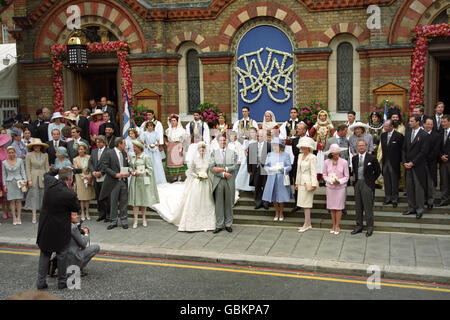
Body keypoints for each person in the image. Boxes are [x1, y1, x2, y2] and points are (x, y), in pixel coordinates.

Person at [36, 167, 81, 290]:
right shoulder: (70, 194)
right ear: (71, 179)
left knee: (45, 253)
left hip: (45, 226)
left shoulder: (50, 183)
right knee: (62, 254)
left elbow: (47, 174)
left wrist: (59, 169)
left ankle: (40, 282)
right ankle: (62, 282)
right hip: (61, 228)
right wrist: (73, 191)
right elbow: (77, 208)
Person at [171, 142, 215, 232]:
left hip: (206, 182)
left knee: (207, 201)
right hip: (197, 182)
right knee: (195, 201)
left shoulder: (208, 160)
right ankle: (192, 223)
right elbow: (190, 172)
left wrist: (207, 177)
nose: (202, 152)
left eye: (203, 150)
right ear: (198, 150)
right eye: (201, 150)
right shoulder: (194, 159)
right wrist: (198, 176)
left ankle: (207, 221)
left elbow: (210, 171)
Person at [351, 139, 381, 237]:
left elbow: (378, 171)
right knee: (358, 206)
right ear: (357, 147)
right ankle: (359, 226)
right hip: (357, 183)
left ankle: (369, 227)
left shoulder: (371, 158)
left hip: (367, 184)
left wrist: (371, 180)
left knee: (368, 206)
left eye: (363, 145)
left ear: (366, 146)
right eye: (359, 146)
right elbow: (354, 171)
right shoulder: (354, 158)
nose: (361, 147)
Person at [99, 137, 130, 230]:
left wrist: (128, 172)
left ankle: (124, 220)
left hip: (123, 180)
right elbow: (104, 166)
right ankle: (113, 221)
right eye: (124, 143)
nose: (125, 145)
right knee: (113, 202)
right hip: (113, 181)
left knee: (124, 202)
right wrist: (115, 174)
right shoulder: (109, 153)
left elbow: (126, 165)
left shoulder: (124, 153)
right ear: (119, 144)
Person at [210, 135, 238, 233]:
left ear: (226, 141)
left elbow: (235, 165)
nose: (223, 142)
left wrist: (226, 170)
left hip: (229, 180)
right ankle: (219, 224)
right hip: (218, 180)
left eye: (224, 140)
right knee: (219, 203)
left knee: (228, 203)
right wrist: (222, 174)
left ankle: (228, 224)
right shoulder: (214, 153)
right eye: (221, 140)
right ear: (218, 142)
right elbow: (211, 168)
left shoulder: (232, 152)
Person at [129, 139, 159, 229]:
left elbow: (150, 169)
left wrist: (141, 172)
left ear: (139, 148)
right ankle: (135, 220)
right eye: (133, 147)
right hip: (135, 180)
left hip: (143, 180)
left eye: (135, 147)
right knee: (135, 201)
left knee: (143, 200)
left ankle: (144, 218)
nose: (133, 148)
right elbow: (130, 167)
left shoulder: (146, 157)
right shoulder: (132, 156)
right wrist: (132, 172)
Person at [402, 115, 429, 219]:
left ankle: (419, 209)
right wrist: (404, 161)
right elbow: (403, 149)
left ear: (418, 122)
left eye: (412, 121)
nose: (410, 123)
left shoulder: (424, 135)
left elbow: (423, 152)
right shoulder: (408, 133)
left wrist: (413, 162)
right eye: (409, 121)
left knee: (418, 188)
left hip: (418, 166)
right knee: (409, 188)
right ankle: (411, 208)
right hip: (408, 165)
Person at [262, 137, 292, 221]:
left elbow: (289, 167)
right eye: (273, 145)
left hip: (281, 177)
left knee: (281, 196)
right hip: (272, 177)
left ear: (280, 146)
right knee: (274, 195)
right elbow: (266, 166)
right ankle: (276, 212)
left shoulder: (286, 155)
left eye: (276, 145)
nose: (275, 147)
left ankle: (281, 212)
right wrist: (269, 169)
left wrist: (282, 169)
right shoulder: (269, 154)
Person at [323, 144, 349, 235]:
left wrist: (340, 181)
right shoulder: (326, 162)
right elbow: (324, 175)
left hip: (340, 188)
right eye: (335, 153)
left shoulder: (344, 162)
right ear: (331, 154)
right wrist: (330, 180)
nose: (337, 154)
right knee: (332, 207)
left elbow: (346, 176)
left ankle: (337, 225)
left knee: (338, 207)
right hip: (330, 187)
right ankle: (333, 225)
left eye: (338, 153)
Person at [66, 212, 100, 277]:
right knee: (96, 247)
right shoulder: (73, 228)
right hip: (73, 257)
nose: (77, 216)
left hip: (64, 257)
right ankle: (78, 268)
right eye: (74, 215)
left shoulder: (62, 224)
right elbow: (83, 244)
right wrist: (86, 234)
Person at [380, 119, 404, 208]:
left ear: (391, 126)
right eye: (384, 126)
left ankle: (395, 199)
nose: (385, 128)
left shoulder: (399, 136)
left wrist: (401, 160)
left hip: (394, 162)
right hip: (385, 162)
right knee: (386, 181)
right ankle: (388, 198)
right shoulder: (383, 135)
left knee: (394, 181)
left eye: (386, 126)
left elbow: (402, 150)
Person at [295, 137, 317, 230]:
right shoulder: (300, 156)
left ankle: (307, 224)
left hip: (308, 182)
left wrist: (314, 184)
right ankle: (308, 223)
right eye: (303, 146)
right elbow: (298, 171)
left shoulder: (313, 157)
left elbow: (313, 171)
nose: (304, 147)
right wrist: (296, 182)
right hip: (300, 182)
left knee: (307, 203)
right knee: (302, 203)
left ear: (309, 147)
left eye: (306, 146)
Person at [25, 138, 49, 224]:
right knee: (34, 196)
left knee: (43, 197)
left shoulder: (45, 155)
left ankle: (42, 215)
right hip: (33, 176)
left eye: (38, 145)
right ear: (32, 146)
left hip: (42, 177)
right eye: (35, 146)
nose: (37, 147)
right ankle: (34, 215)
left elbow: (47, 168)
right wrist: (29, 180)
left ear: (41, 146)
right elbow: (27, 168)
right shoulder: (29, 155)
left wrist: (47, 178)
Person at [2, 146, 26, 225]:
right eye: (9, 153)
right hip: (9, 183)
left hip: (19, 182)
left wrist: (25, 181)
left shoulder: (20, 161)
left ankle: (19, 217)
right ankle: (14, 218)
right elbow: (4, 175)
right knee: (12, 201)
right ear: (7, 153)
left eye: (12, 152)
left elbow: (23, 171)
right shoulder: (4, 162)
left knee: (19, 201)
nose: (11, 154)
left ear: (15, 153)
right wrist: (4, 185)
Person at [247, 129, 271, 210]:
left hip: (265, 169)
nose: (258, 137)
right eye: (257, 136)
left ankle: (266, 202)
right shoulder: (252, 145)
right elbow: (249, 158)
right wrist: (249, 169)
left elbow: (271, 158)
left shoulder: (269, 145)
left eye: (260, 136)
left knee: (265, 185)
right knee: (257, 186)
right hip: (255, 168)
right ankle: (258, 202)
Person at [88, 135, 110, 222]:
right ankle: (101, 214)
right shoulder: (94, 151)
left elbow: (108, 164)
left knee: (106, 197)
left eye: (99, 142)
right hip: (95, 177)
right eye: (96, 142)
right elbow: (90, 163)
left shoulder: (108, 151)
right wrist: (93, 172)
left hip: (104, 177)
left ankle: (108, 215)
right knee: (98, 196)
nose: (97, 144)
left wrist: (101, 172)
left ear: (103, 142)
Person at [309, 110, 334, 180]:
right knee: (319, 163)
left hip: (327, 146)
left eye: (324, 116)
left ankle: (327, 177)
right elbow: (310, 134)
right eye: (321, 116)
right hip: (319, 147)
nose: (322, 117)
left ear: (326, 117)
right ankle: (319, 178)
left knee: (327, 162)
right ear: (319, 117)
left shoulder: (330, 126)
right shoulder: (317, 125)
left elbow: (333, 136)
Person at [73, 142, 95, 221]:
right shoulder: (75, 159)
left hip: (88, 178)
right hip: (80, 179)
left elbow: (91, 168)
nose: (80, 151)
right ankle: (82, 212)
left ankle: (87, 212)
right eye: (79, 149)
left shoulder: (89, 157)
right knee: (81, 197)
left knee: (87, 197)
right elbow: (77, 170)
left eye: (82, 149)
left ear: (85, 150)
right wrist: (83, 176)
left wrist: (88, 176)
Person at [422, 117, 440, 209]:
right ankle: (424, 199)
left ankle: (430, 201)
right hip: (420, 163)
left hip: (431, 163)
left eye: (431, 124)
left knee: (430, 184)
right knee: (422, 183)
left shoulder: (436, 136)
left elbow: (436, 150)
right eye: (427, 124)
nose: (429, 126)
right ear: (424, 124)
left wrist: (426, 158)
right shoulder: (420, 134)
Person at [290, 122, 308, 213]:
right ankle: (297, 203)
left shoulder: (310, 140)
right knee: (296, 183)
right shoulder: (295, 140)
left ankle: (305, 202)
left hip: (307, 164)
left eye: (300, 129)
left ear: (304, 130)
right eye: (297, 128)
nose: (297, 130)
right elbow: (295, 152)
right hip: (297, 163)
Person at [165, 114, 186, 182]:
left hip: (178, 146)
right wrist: (167, 143)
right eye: (171, 121)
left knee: (178, 161)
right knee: (172, 162)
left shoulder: (182, 130)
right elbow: (166, 138)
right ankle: (174, 177)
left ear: (177, 121)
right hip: (171, 146)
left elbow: (184, 140)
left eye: (174, 120)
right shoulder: (168, 130)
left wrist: (182, 148)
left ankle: (179, 177)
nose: (173, 122)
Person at [235, 127, 256, 193]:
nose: (252, 134)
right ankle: (243, 186)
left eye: (253, 132)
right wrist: (247, 155)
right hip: (247, 158)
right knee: (244, 173)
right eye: (250, 132)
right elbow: (244, 150)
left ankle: (252, 187)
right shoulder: (247, 141)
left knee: (252, 173)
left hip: (254, 159)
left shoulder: (257, 141)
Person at [439, 115, 450, 207]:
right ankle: (444, 199)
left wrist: (448, 156)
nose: (443, 124)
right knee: (444, 181)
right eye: (442, 122)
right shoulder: (440, 132)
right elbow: (437, 147)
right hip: (443, 161)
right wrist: (441, 156)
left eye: (445, 122)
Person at [0, 133, 11, 220]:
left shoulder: (6, 150)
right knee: (1, 196)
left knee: (7, 196)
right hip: (0, 176)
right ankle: (3, 211)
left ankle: (8, 210)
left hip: (7, 175)